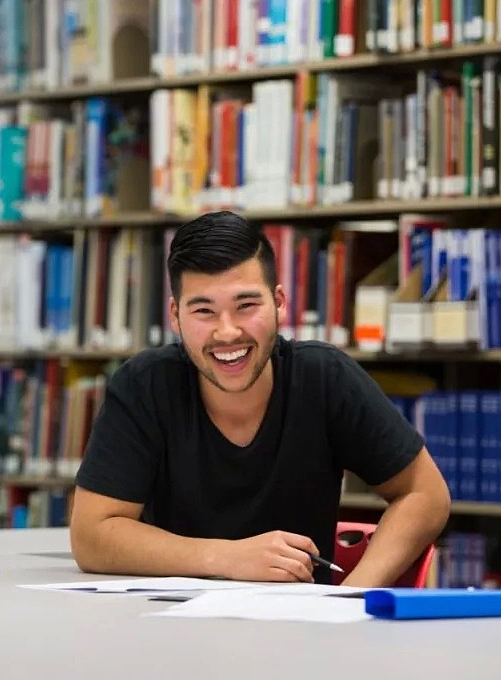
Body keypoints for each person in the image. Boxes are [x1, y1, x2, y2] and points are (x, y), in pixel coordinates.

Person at [70, 210, 450, 586]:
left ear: (279, 302)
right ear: (175, 315)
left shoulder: (324, 378)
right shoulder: (145, 385)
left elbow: (425, 494)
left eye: (246, 306)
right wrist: (229, 557)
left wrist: (351, 593)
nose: (227, 332)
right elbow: (91, 536)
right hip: (168, 629)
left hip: (299, 631)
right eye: (204, 311)